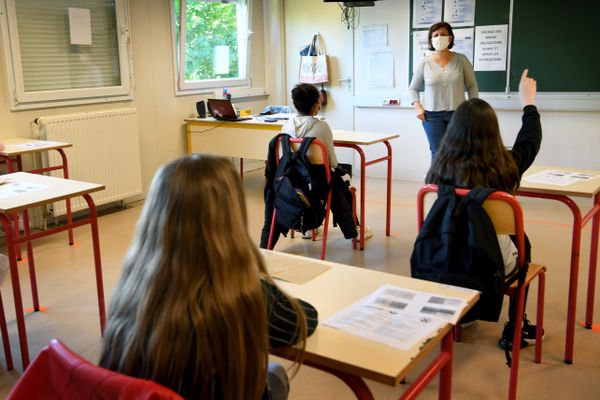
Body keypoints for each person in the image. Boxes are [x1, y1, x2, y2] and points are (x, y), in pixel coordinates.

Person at [99, 154, 318, 400]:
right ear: (231, 216)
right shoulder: (242, 292)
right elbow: (302, 321)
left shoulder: (135, 285)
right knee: (275, 376)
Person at [425, 69, 541, 350]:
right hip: (491, 261)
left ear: (453, 131)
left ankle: (460, 316)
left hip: (445, 254)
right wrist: (529, 103)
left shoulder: (439, 168)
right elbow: (530, 141)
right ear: (493, 131)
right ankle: (514, 328)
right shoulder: (506, 166)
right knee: (524, 247)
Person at [260, 83, 372, 247]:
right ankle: (354, 229)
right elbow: (332, 162)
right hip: (315, 186)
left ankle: (306, 230)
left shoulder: (286, 126)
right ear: (316, 105)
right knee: (338, 182)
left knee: (333, 181)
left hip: (289, 182)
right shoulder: (321, 126)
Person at [409, 21, 479, 158]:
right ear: (430, 39)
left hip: (458, 114)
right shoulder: (424, 62)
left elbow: (472, 86)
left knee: (459, 153)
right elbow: (413, 88)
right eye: (435, 35)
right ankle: (436, 180)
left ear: (450, 38)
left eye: (443, 34)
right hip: (432, 116)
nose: (439, 38)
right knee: (438, 153)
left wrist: (474, 109)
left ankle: (457, 180)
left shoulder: (461, 60)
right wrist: (418, 107)